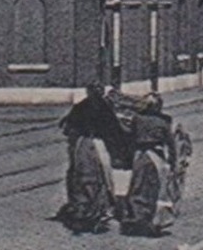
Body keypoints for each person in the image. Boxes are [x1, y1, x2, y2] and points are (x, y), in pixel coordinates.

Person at [56, 83, 128, 234]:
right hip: (97, 144)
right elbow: (114, 129)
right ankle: (98, 210)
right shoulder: (104, 108)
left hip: (82, 145)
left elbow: (67, 126)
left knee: (80, 175)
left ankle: (83, 208)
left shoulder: (81, 107)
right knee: (101, 175)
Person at [120, 93, 190, 237]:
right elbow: (170, 144)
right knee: (157, 189)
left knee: (138, 187)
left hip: (139, 156)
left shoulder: (137, 119)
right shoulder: (163, 122)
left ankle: (136, 218)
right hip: (155, 157)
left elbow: (130, 138)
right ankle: (155, 221)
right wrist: (173, 162)